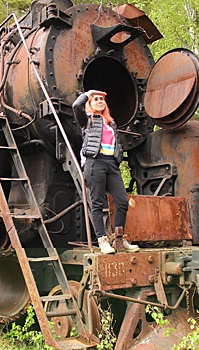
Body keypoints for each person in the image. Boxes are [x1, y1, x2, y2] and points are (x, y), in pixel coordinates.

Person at [73, 89, 139, 254]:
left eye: (101, 99)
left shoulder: (111, 123)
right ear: (90, 102)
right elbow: (76, 106)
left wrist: (117, 158)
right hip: (95, 163)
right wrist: (89, 93)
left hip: (111, 164)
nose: (99, 101)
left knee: (122, 201)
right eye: (95, 99)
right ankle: (102, 240)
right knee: (97, 202)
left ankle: (119, 239)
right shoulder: (87, 121)